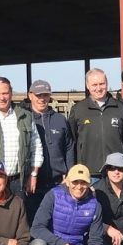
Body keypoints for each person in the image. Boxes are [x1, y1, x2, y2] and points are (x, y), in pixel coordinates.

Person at [29, 164, 115, 245]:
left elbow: (96, 239)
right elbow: (36, 228)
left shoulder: (95, 206)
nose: (79, 187)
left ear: (89, 183)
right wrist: (62, 244)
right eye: (75, 182)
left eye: (84, 182)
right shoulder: (53, 196)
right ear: (68, 182)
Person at [68, 68, 123, 181]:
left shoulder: (120, 108)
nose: (98, 88)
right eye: (94, 85)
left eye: (102, 84)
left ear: (107, 83)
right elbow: (71, 142)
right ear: (87, 85)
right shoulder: (78, 110)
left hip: (115, 171)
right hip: (88, 173)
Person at [22, 79, 74, 222]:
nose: (42, 99)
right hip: (32, 183)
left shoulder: (60, 119)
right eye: (38, 95)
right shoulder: (24, 119)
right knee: (34, 221)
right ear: (30, 95)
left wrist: (69, 172)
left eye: (45, 95)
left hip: (57, 182)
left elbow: (69, 146)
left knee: (58, 220)